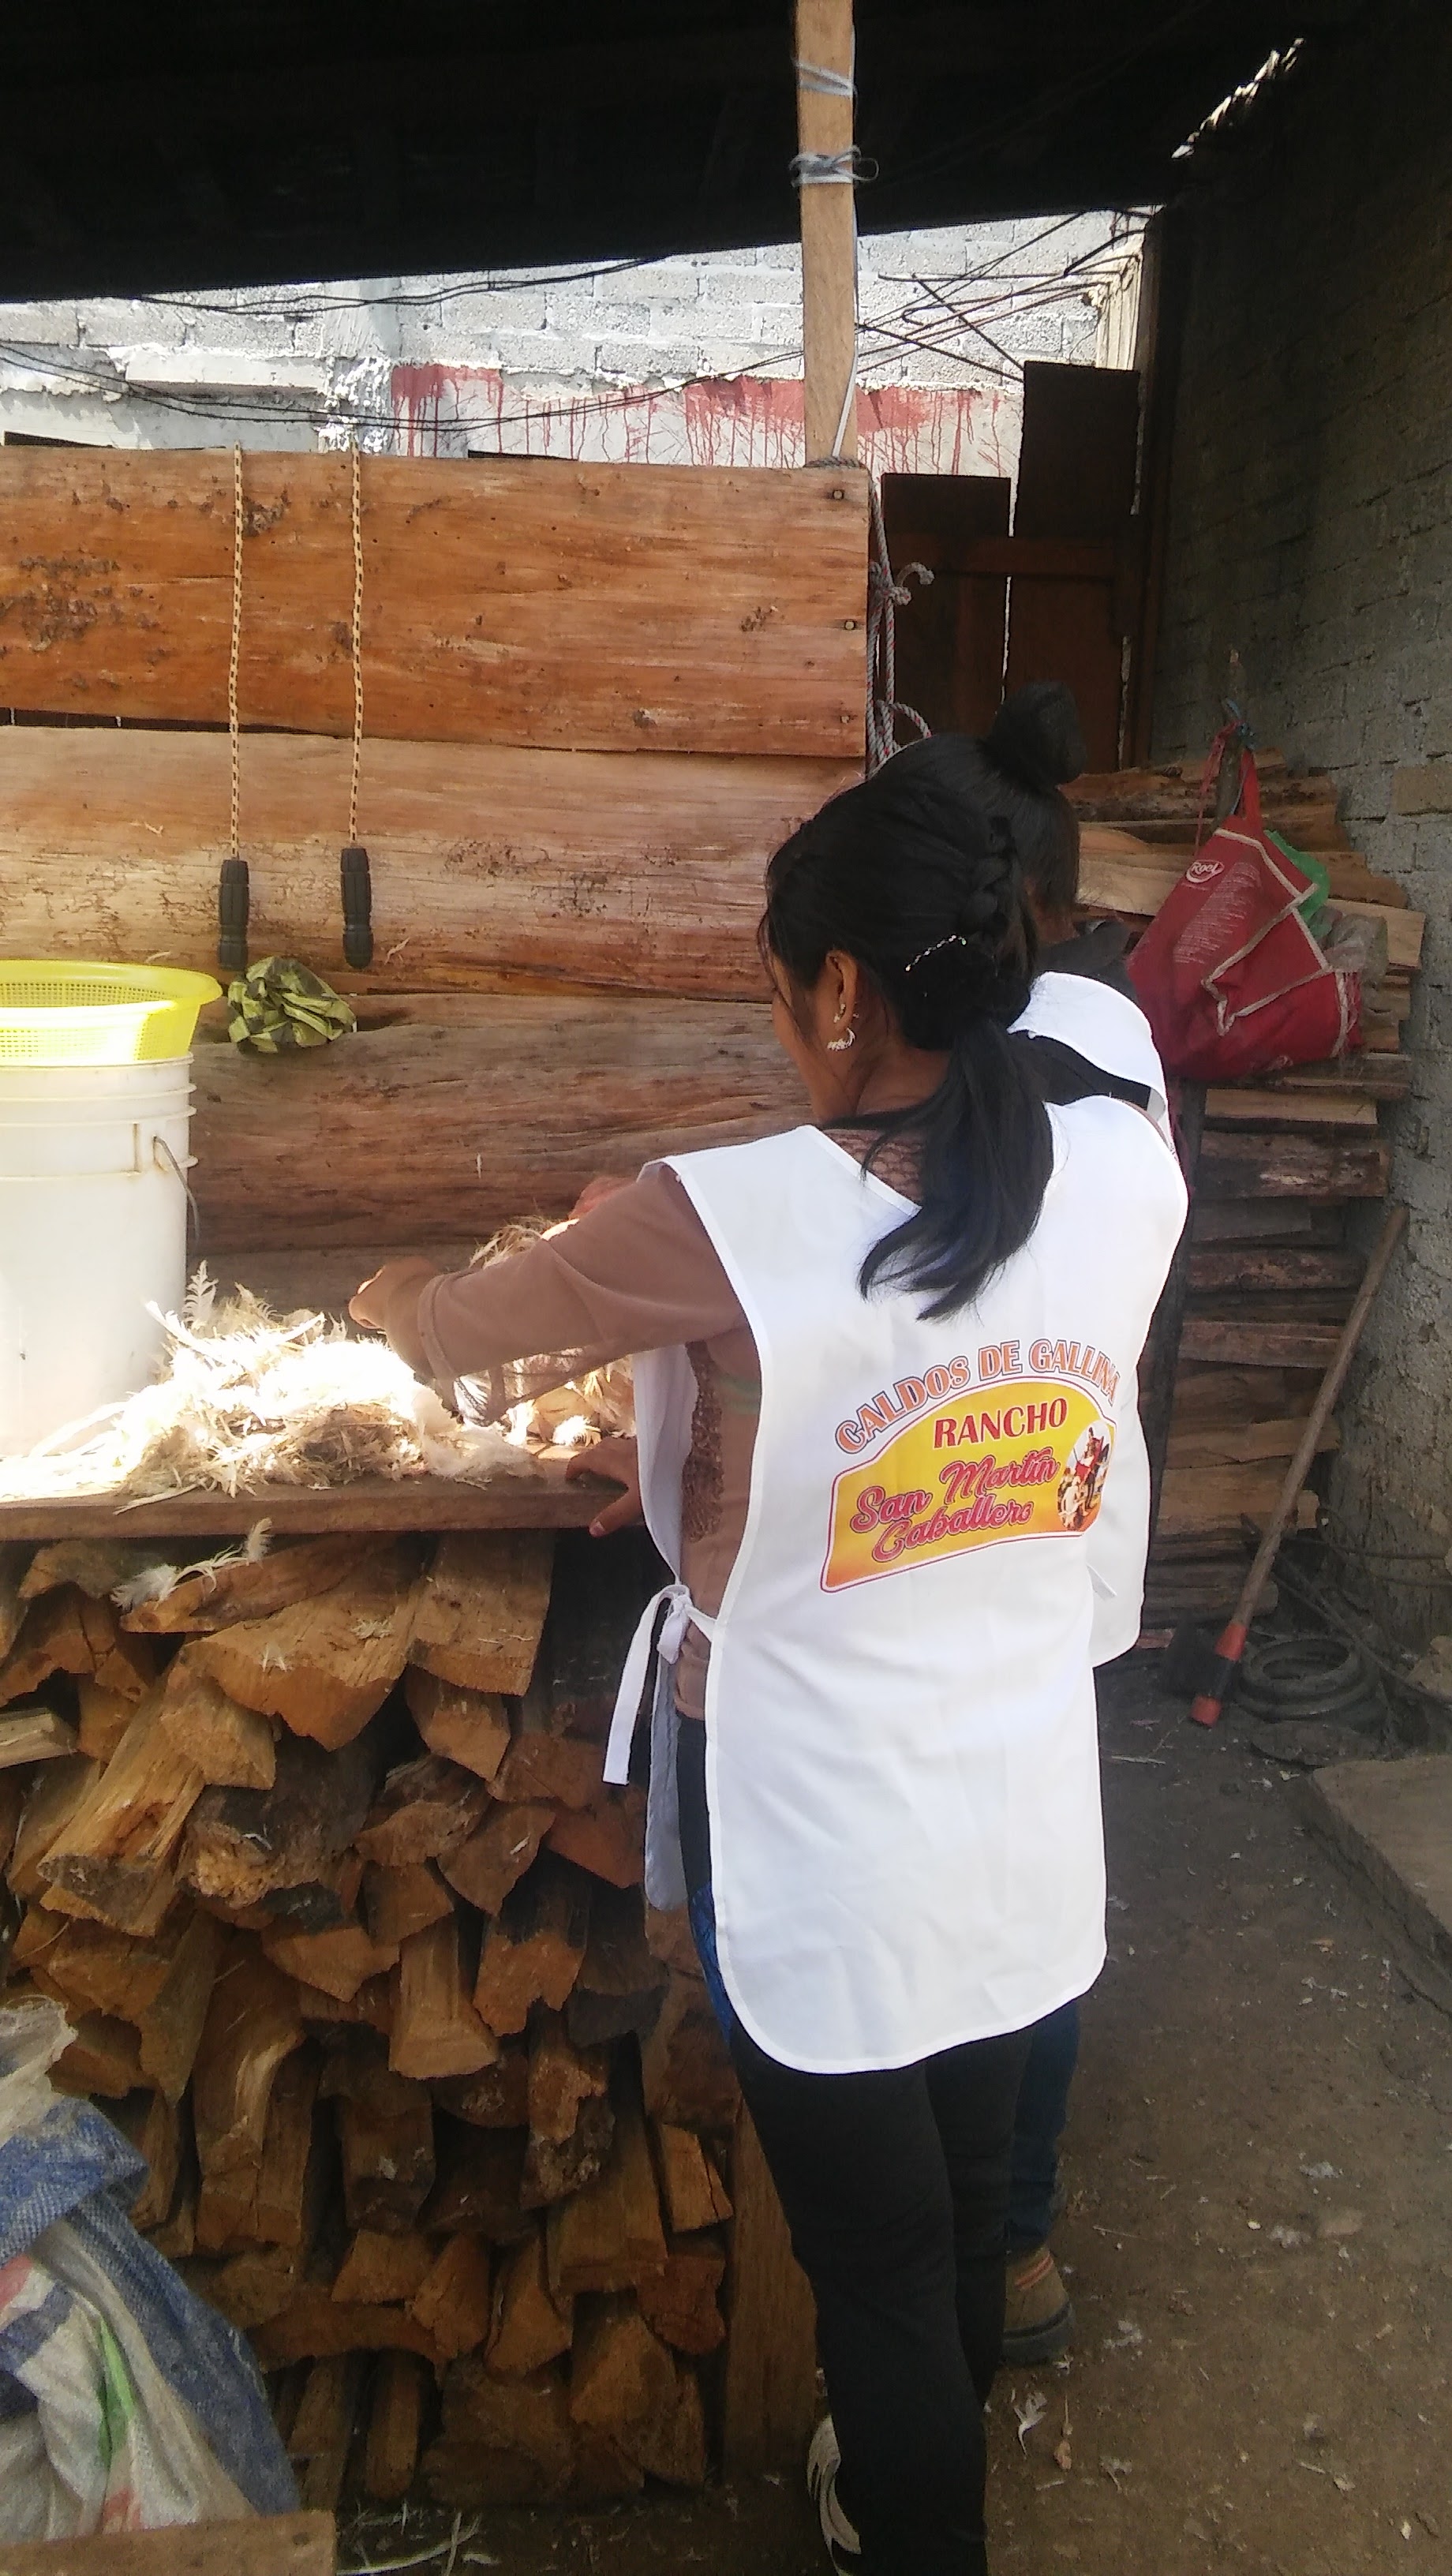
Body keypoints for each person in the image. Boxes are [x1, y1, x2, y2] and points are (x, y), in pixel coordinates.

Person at [352, 754, 1186, 2576]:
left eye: (776, 987)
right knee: (961, 2219)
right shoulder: (1118, 1161)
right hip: (1021, 1803)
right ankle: (908, 2481)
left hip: (822, 1828)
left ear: (833, 991)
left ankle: (909, 2530)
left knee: (873, 2272)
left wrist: (391, 1294)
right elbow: (923, 1383)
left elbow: (462, 1330)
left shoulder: (722, 1214)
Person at [928, 683, 1166, 2368]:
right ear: (1074, 913)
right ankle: (1009, 2240)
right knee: (1027, 1876)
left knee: (944, 1879)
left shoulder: (930, 1057)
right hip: (1068, 1517)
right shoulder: (1127, 1043)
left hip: (944, 1523)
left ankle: (964, 2232)